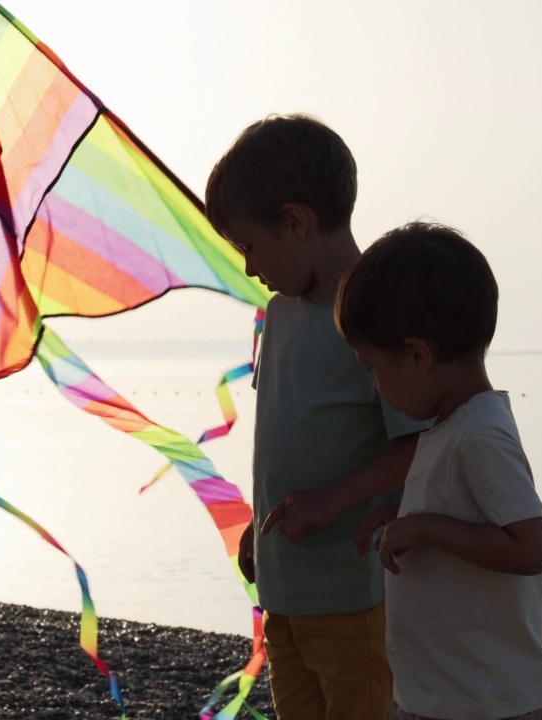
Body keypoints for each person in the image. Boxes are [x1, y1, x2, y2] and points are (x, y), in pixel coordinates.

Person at [203, 114, 432, 720]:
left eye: (250, 247)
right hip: (284, 596)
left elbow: (419, 446)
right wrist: (260, 525)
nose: (250, 268)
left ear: (296, 222)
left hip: (350, 600)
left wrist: (334, 500)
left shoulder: (372, 318)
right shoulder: (277, 316)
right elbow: (286, 433)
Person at [336, 222, 542, 720]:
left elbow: (531, 547)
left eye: (374, 368)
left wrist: (426, 525)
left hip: (483, 701)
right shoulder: (451, 427)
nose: (374, 385)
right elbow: (463, 511)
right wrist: (403, 513)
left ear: (417, 356)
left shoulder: (480, 434)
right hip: (437, 693)